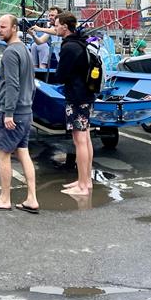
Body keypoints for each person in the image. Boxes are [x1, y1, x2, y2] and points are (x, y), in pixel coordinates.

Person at [0, 15, 38, 213]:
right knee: (23, 152)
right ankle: (31, 198)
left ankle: (5, 198)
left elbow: (12, 84)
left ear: (14, 28)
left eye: (3, 27)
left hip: (14, 111)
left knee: (3, 153)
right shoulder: (25, 49)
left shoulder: (11, 53)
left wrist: (8, 113)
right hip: (26, 110)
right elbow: (31, 82)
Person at [53, 12, 95, 197]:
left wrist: (57, 75)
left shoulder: (69, 47)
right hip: (87, 94)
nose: (54, 28)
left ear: (64, 26)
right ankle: (86, 180)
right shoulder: (81, 42)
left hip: (76, 96)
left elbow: (60, 75)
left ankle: (83, 186)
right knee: (85, 138)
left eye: (56, 25)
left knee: (79, 141)